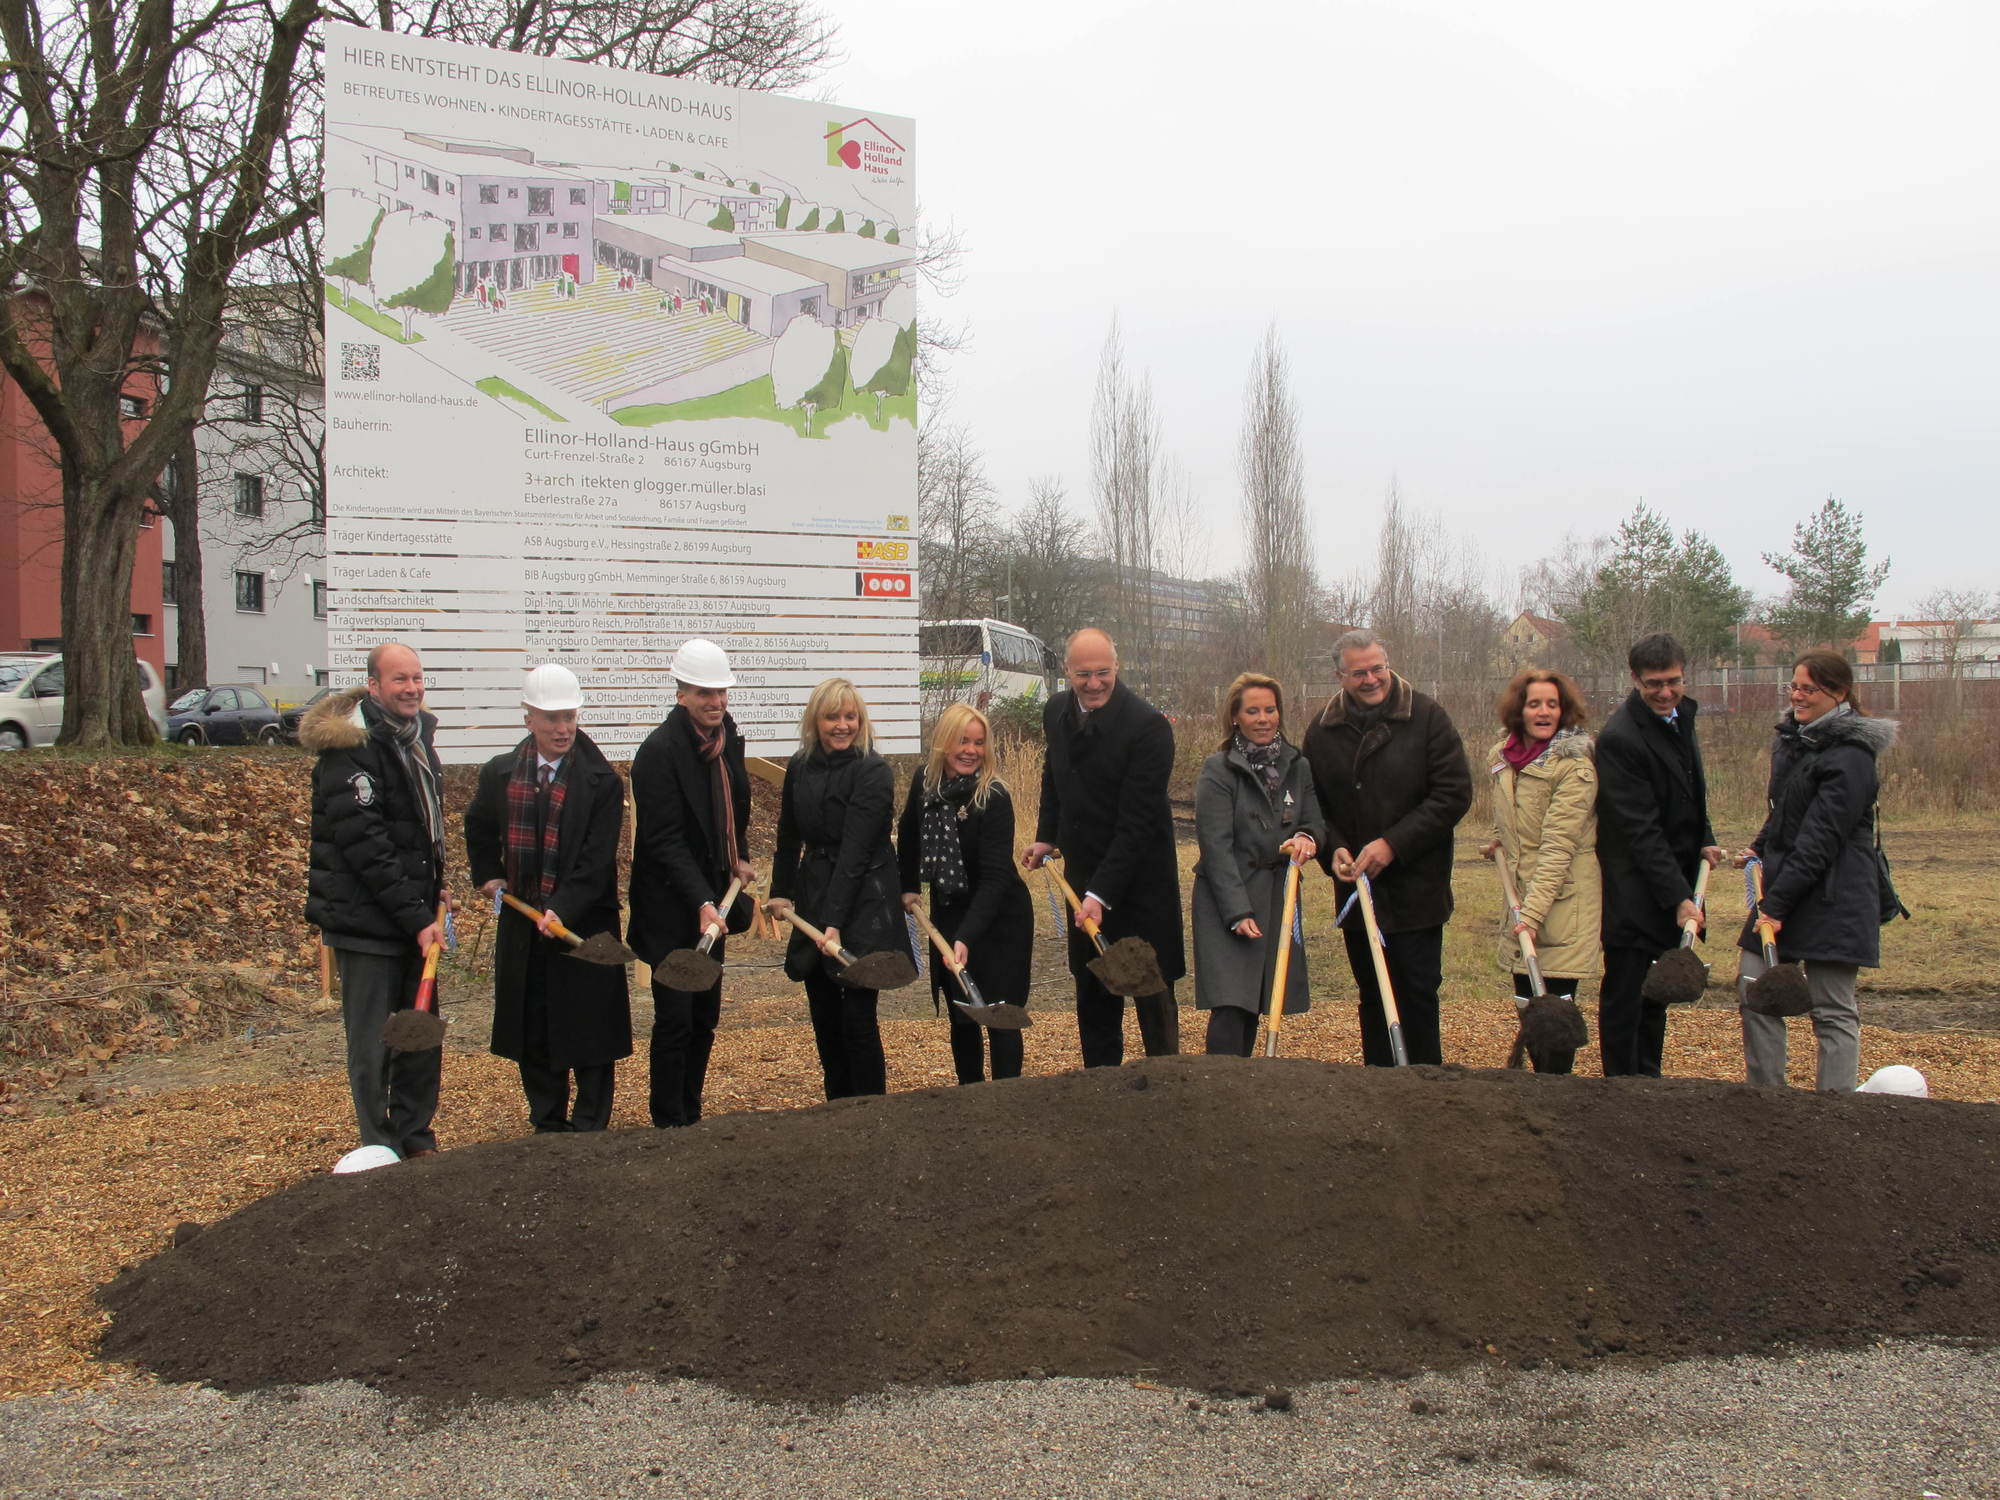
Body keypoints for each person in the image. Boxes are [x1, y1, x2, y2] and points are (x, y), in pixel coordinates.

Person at [464, 663, 630, 1133]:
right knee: (533, 1021)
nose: (562, 728)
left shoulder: (601, 780)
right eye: (552, 718)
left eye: (569, 717)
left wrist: (563, 907)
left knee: (591, 1025)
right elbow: (477, 827)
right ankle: (547, 1119)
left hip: (584, 920)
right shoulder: (500, 774)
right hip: (524, 921)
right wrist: (490, 875)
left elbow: (597, 860)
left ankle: (591, 1121)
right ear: (529, 719)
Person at [301, 641, 448, 1158]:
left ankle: (416, 1136)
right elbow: (366, 845)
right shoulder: (351, 750)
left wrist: (437, 886)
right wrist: (415, 916)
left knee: (420, 1033)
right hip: (366, 923)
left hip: (413, 917)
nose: (411, 688)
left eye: (417, 677)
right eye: (399, 680)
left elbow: (422, 827)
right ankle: (378, 1144)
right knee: (373, 1044)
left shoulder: (415, 740)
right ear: (374, 686)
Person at [1302, 630, 1471, 1066]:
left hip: (1417, 889)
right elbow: (1314, 804)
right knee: (1373, 997)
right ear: (1340, 675)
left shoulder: (1428, 717)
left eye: (1378, 667)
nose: (1372, 679)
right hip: (1359, 892)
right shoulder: (1322, 731)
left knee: (1416, 993)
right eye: (1359, 672)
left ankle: (1426, 1089)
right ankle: (1378, 1090)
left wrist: (1393, 845)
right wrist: (1333, 848)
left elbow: (1453, 794)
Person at [1023, 628, 1186, 1067]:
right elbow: (1054, 778)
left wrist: (1100, 894)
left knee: (1151, 996)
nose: (1093, 684)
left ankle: (1169, 1088)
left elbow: (1137, 824)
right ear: (1067, 672)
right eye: (1083, 675)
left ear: (1117, 667)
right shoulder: (1056, 711)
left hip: (1140, 886)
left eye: (1102, 673)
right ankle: (1101, 1089)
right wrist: (1047, 834)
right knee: (1094, 993)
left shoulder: (1149, 727)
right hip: (1084, 879)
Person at [1735, 651, 1898, 1092]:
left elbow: (1821, 839)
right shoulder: (1797, 740)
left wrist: (1775, 906)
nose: (1797, 696)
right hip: (1789, 886)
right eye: (1794, 686)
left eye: (1809, 689)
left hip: (1835, 896)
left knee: (1832, 1009)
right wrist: (1760, 845)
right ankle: (1768, 1101)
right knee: (1756, 985)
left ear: (1839, 694)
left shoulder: (1851, 756)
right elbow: (1787, 809)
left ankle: (1835, 1115)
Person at [628, 639, 755, 1127]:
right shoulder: (658, 753)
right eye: (705, 693)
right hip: (670, 909)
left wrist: (737, 858)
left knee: (705, 1016)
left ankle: (692, 1114)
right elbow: (663, 841)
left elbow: (731, 811)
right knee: (676, 1018)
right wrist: (701, 899)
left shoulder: (727, 741)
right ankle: (667, 1120)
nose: (716, 702)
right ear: (681, 693)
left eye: (721, 692)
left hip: (713, 907)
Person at [1595, 633, 1727, 1077]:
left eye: (1673, 681)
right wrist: (1679, 898)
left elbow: (1689, 794)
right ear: (1635, 679)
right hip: (1635, 890)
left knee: (1656, 994)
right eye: (1654, 684)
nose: (1665, 692)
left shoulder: (1679, 716)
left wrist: (1704, 836)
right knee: (1627, 996)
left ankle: (1648, 1086)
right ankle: (1621, 1088)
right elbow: (1640, 830)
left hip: (1672, 880)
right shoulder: (1620, 738)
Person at [767, 678, 903, 1100]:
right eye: (833, 717)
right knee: (825, 1017)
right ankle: (837, 1113)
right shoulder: (800, 766)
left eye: (850, 716)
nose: (842, 725)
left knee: (857, 1018)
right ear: (816, 721)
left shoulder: (873, 771)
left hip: (866, 902)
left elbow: (857, 853)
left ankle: (869, 1111)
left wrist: (835, 923)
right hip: (813, 895)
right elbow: (789, 835)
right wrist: (781, 890)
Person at [897, 703, 1035, 1083]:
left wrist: (966, 937)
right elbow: (908, 834)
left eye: (978, 743)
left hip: (1000, 918)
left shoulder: (993, 796)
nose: (970, 750)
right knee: (963, 1015)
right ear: (944, 742)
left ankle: (1008, 1100)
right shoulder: (926, 783)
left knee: (1000, 1014)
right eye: (962, 741)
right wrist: (908, 887)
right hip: (950, 909)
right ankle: (970, 1100)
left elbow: (995, 878)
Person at [1191, 673, 1322, 1056]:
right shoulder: (1218, 770)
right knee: (1232, 1003)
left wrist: (1307, 839)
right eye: (1253, 711)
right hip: (1226, 898)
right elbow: (1215, 846)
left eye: (1270, 709)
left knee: (1259, 1000)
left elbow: (1314, 821)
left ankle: (1247, 1090)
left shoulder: (1298, 766)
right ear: (1235, 716)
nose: (1263, 718)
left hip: (1277, 896)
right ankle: (1224, 1090)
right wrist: (1236, 911)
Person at [1481, 668, 1600, 1074]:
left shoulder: (1575, 766)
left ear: (1564, 711)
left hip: (1562, 902)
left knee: (1555, 1012)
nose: (1544, 711)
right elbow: (1510, 818)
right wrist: (1499, 840)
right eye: (1535, 703)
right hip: (1520, 895)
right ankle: (1536, 1092)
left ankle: (1558, 1092)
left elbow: (1559, 846)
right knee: (1527, 1002)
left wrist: (1532, 915)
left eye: (1553, 704)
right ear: (1520, 709)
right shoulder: (1503, 759)